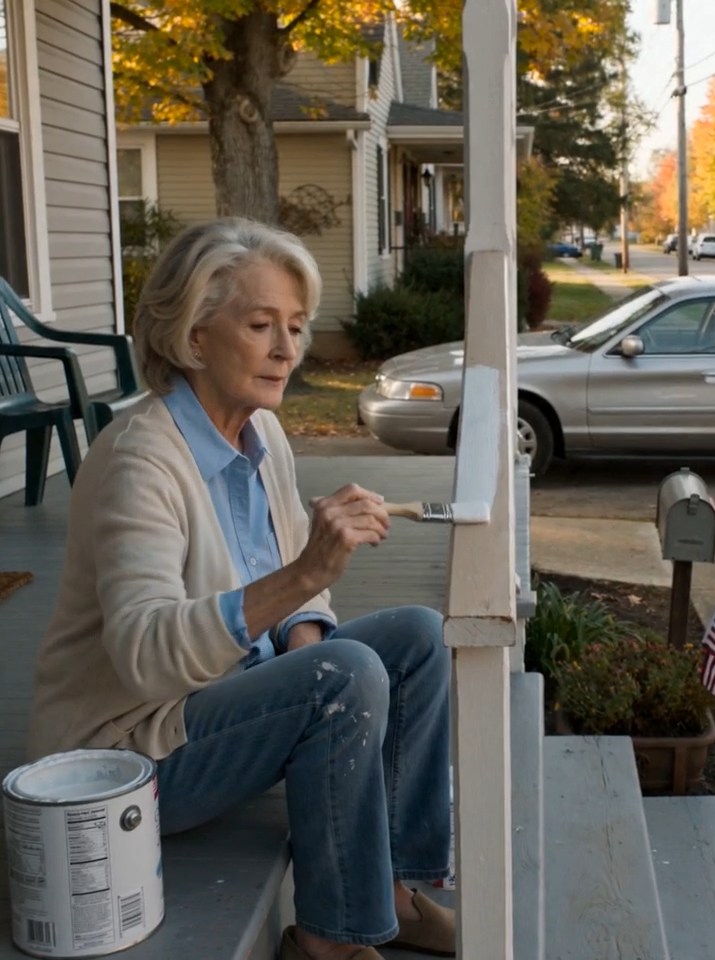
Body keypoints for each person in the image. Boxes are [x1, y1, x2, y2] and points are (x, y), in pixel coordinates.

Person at [26, 218, 454, 960]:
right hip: (133, 751)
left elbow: (299, 588)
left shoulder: (262, 436)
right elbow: (144, 655)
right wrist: (305, 586)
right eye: (261, 325)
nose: (289, 349)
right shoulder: (141, 462)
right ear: (193, 338)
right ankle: (327, 936)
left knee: (415, 637)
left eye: (295, 325)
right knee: (342, 673)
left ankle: (391, 887)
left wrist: (304, 634)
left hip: (226, 699)